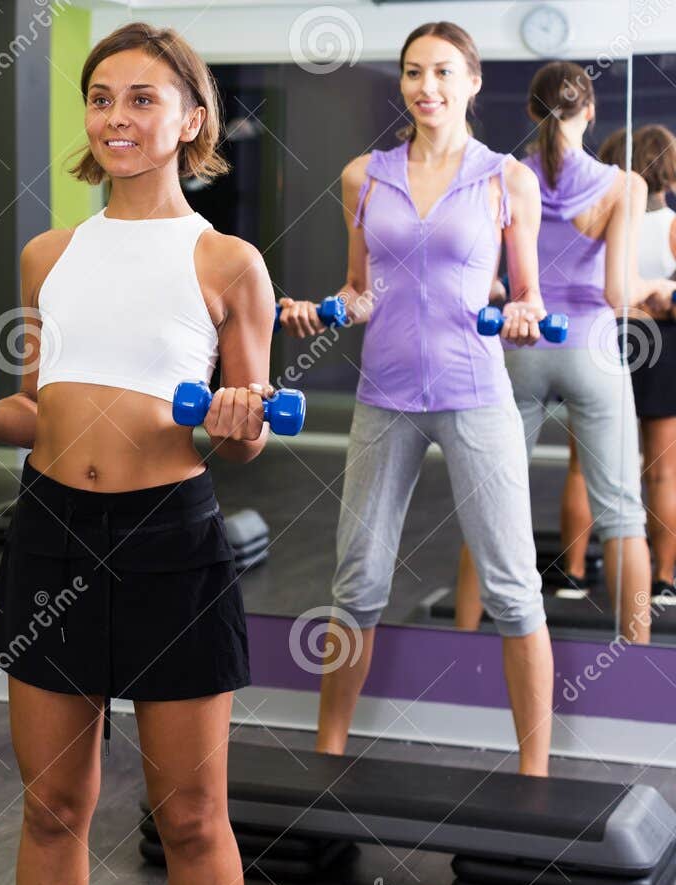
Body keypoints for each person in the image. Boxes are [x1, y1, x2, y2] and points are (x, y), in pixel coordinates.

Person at [0, 22, 272, 885]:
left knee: (189, 818)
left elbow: (247, 437)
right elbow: (37, 412)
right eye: (102, 98)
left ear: (192, 120)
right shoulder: (49, 254)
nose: (117, 117)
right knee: (52, 805)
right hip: (51, 530)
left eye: (144, 99)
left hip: (171, 537)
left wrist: (235, 419)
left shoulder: (229, 263)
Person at [283, 22, 556, 775]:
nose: (425, 87)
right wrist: (327, 308)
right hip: (386, 394)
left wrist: (526, 318)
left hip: (475, 393)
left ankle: (535, 776)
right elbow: (361, 290)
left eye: (442, 72)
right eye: (412, 72)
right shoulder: (363, 176)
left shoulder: (507, 178)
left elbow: (527, 295)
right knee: (358, 580)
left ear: (471, 81)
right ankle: (327, 755)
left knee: (512, 587)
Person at [452, 62, 663, 643]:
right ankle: (637, 658)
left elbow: (491, 282)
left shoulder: (503, 176)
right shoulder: (624, 184)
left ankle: (460, 643)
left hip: (519, 347)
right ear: (590, 111)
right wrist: (658, 290)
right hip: (593, 348)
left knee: (489, 508)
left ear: (529, 111)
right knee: (622, 514)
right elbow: (620, 293)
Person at [598, 124, 676, 605]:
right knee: (664, 473)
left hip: (611, 343)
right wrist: (659, 300)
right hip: (662, 349)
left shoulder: (607, 221)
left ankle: (576, 576)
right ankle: (665, 579)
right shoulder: (670, 224)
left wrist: (632, 304)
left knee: (587, 469)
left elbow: (600, 291)